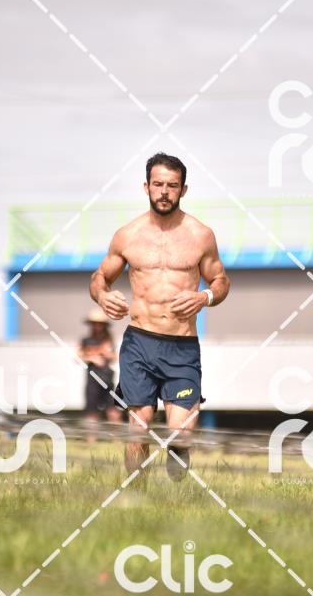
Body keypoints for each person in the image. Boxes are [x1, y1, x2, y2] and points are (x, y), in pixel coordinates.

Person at [89, 152, 230, 480]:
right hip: (139, 342)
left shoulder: (200, 235)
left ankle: (177, 483)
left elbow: (221, 281)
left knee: (181, 433)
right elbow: (100, 277)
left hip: (182, 346)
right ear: (146, 187)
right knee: (138, 428)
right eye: (158, 184)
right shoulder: (128, 235)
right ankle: (136, 495)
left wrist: (204, 297)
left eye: (172, 185)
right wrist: (102, 295)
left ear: (183, 189)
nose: (164, 191)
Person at [79, 308, 121, 440]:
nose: (96, 326)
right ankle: (91, 440)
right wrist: (92, 357)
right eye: (94, 323)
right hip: (92, 379)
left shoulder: (109, 340)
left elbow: (114, 357)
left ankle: (116, 438)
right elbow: (78, 356)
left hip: (107, 378)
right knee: (91, 411)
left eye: (99, 324)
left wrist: (101, 353)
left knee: (112, 409)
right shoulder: (85, 340)